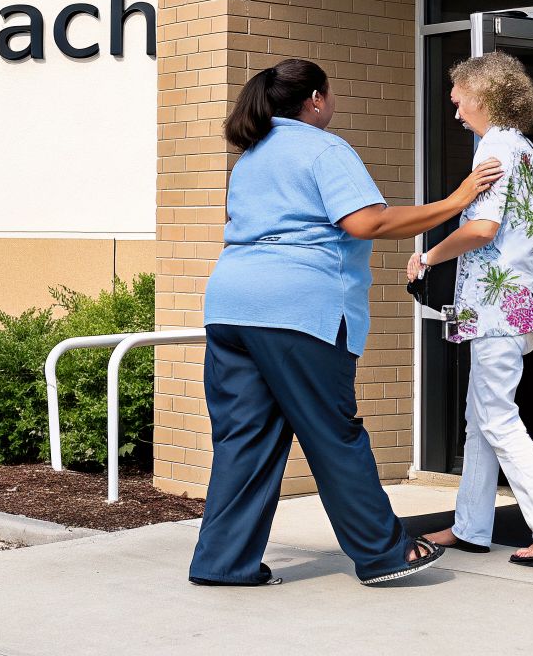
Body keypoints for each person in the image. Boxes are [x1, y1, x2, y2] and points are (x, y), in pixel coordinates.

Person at [189, 58, 503, 587]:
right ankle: (384, 554)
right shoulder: (323, 148)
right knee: (334, 435)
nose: (332, 103)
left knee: (244, 440)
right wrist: (457, 200)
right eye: (329, 95)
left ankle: (222, 563)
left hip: (230, 309)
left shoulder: (252, 156)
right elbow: (368, 222)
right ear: (315, 98)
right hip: (298, 312)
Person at [413, 52, 533, 566]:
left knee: (495, 416)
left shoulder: (493, 148)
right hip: (518, 304)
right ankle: (471, 526)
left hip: (496, 307)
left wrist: (428, 256)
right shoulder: (527, 150)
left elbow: (483, 228)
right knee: (479, 419)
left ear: (483, 95)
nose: (453, 103)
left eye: (458, 94)